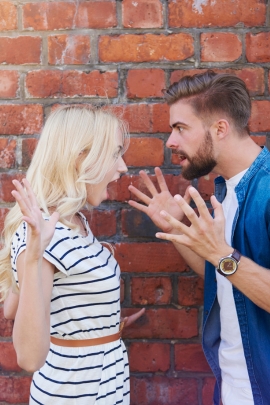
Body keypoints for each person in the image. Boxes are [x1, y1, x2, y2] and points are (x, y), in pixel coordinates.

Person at [128, 71, 270, 405]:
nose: (170, 142)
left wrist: (223, 256)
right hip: (233, 385)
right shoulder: (225, 193)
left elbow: (227, 262)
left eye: (180, 128)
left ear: (220, 129)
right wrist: (175, 229)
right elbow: (224, 275)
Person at [0, 105, 144, 405]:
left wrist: (98, 320)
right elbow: (28, 357)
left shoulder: (73, 222)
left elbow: (13, 306)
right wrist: (33, 257)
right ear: (80, 157)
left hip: (97, 379)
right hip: (75, 391)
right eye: (114, 153)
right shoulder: (46, 235)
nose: (123, 167)